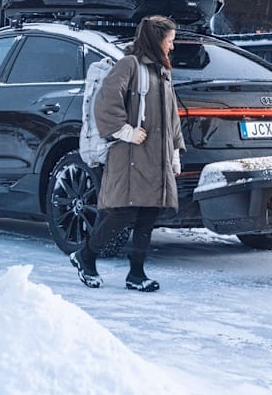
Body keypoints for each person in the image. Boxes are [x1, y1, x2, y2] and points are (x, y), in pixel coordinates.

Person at [70, 15, 186, 292]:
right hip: (131, 154)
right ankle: (86, 255)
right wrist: (125, 131)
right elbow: (106, 103)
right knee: (122, 212)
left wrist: (174, 153)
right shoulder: (129, 65)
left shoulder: (162, 71)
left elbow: (171, 116)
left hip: (156, 156)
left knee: (148, 214)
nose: (172, 46)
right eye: (169, 40)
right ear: (156, 39)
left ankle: (136, 273)